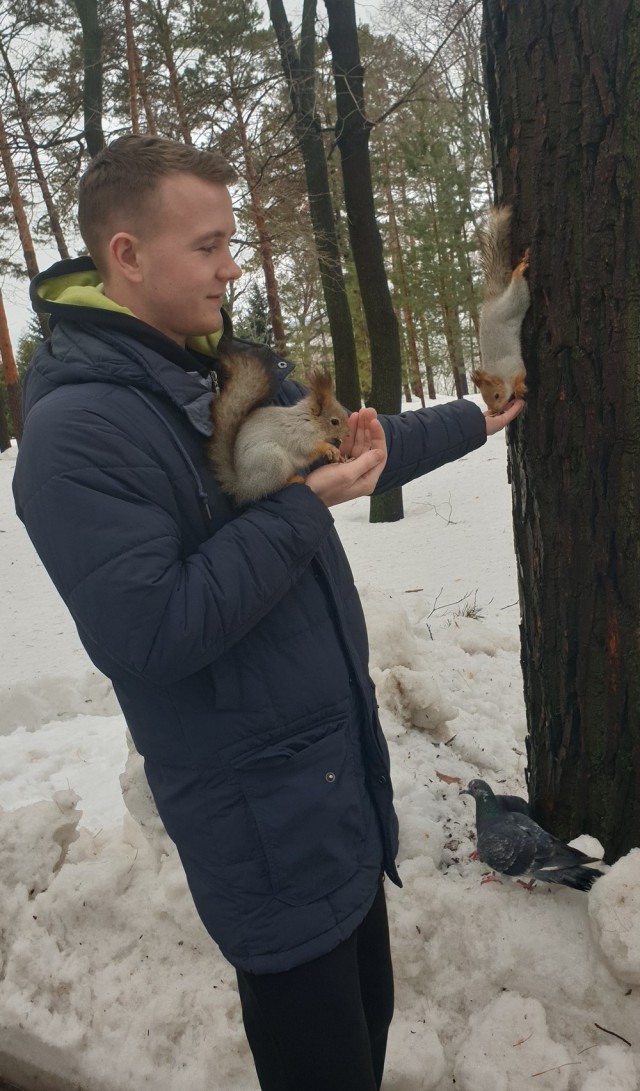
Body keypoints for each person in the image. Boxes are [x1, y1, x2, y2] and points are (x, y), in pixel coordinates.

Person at [13, 134, 523, 1091]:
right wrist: (299, 506)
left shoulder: (217, 367)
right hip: (260, 822)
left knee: (365, 1029)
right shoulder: (75, 434)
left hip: (332, 786)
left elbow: (345, 452)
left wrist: (470, 418)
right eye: (206, 245)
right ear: (127, 255)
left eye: (231, 242)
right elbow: (151, 633)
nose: (231, 265)